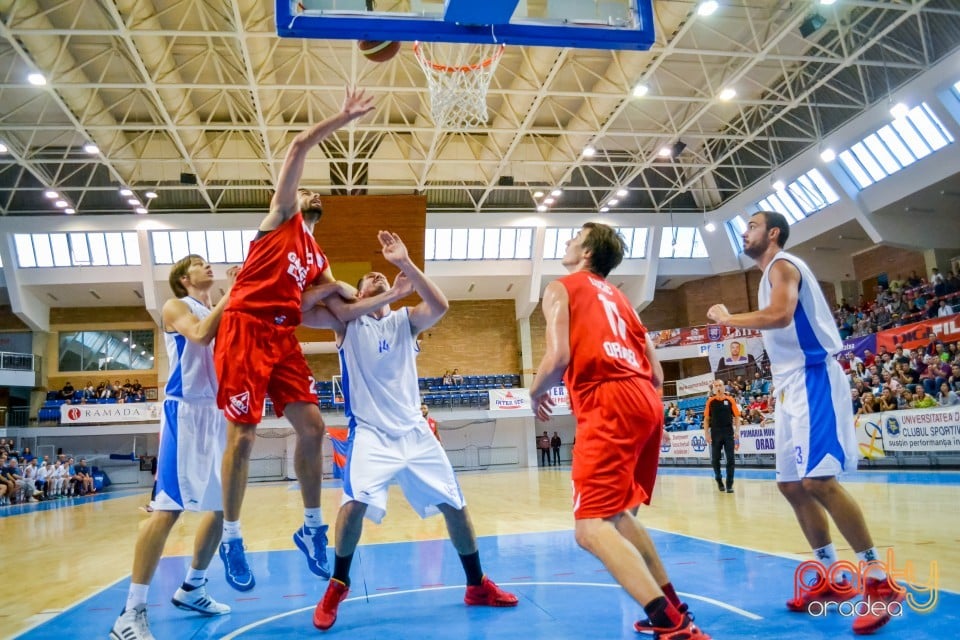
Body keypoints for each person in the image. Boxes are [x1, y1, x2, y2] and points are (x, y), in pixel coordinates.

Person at [303, 231, 517, 631]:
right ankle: (338, 583)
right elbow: (299, 312)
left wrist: (404, 263)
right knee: (354, 505)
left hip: (415, 431)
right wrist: (337, 287)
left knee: (455, 504)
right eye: (369, 279)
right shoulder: (346, 324)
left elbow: (441, 304)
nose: (377, 277)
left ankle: (476, 584)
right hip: (370, 433)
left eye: (381, 276)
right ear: (358, 294)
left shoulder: (406, 321)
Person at [707, 211, 902, 635]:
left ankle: (878, 580)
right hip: (788, 385)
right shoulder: (767, 274)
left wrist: (729, 319)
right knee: (791, 484)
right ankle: (831, 574)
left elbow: (780, 315)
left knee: (819, 482)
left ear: (772, 233)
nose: (745, 232)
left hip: (812, 377)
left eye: (753, 226)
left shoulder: (783, 266)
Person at [213, 86, 375, 591]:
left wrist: (383, 300)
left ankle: (310, 529)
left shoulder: (317, 259)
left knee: (313, 429)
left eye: (313, 196)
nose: (309, 193)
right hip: (244, 327)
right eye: (306, 191)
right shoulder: (280, 217)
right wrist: (343, 117)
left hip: (283, 339)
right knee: (243, 436)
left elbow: (332, 314)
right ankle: (232, 536)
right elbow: (299, 146)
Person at [529, 222, 709, 639]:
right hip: (645, 399)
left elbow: (558, 356)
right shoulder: (622, 299)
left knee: (589, 527)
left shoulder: (562, 287)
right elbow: (659, 372)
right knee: (618, 514)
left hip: (608, 399)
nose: (568, 240)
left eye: (575, 237)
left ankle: (670, 621)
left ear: (588, 253)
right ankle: (674, 602)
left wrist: (535, 393)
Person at [110, 256, 238, 640]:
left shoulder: (220, 308)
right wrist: (232, 294)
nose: (207, 266)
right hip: (185, 412)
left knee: (222, 507)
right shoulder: (175, 305)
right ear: (184, 278)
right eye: (198, 264)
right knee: (168, 509)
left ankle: (193, 587)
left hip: (217, 412)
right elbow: (198, 335)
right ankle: (130, 612)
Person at [703, 379, 740, 493]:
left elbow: (737, 417)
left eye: (720, 385)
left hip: (728, 433)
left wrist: (737, 431)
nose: (718, 387)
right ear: (713, 388)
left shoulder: (730, 400)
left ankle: (729, 484)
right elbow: (706, 419)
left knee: (730, 460)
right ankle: (719, 480)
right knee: (715, 459)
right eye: (716, 386)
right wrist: (706, 433)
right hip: (715, 433)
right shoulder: (710, 401)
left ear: (724, 387)